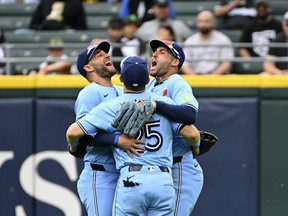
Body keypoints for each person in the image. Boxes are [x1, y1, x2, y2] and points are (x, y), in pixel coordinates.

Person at [66, 55, 200, 216]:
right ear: (147, 80)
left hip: (132, 179)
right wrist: (196, 146)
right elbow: (192, 134)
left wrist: (74, 147)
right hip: (163, 180)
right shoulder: (164, 103)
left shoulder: (113, 105)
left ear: (121, 79)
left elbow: (73, 132)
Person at [72, 41, 146, 216]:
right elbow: (81, 135)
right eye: (99, 55)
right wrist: (116, 140)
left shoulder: (122, 91)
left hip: (124, 173)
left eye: (106, 52)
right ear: (88, 68)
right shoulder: (90, 92)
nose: (107, 55)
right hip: (101, 174)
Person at [146, 39, 204, 215]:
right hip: (159, 169)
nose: (154, 54)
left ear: (175, 62)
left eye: (162, 52)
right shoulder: (150, 86)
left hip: (180, 167)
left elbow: (189, 114)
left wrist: (158, 105)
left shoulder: (176, 82)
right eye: (154, 51)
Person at [182, 10, 234, 75]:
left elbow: (227, 63)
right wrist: (194, 77)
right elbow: (184, 63)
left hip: (217, 78)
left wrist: (212, 77)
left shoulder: (223, 40)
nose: (203, 24)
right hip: (195, 77)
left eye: (207, 21)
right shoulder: (190, 41)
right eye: (200, 21)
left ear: (213, 22)